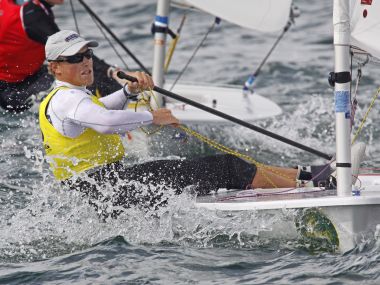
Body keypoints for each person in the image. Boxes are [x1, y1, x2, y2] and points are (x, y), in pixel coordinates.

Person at [39, 30, 366, 216]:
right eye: (75, 59)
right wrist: (153, 116)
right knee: (226, 168)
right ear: (55, 67)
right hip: (106, 190)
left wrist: (128, 90)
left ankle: (311, 176)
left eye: (87, 56)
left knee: (226, 166)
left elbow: (100, 109)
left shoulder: (71, 97)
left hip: (106, 187)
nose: (85, 63)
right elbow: (105, 122)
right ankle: (313, 183)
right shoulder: (69, 99)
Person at [0, 0, 122, 112]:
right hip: (12, 93)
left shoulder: (33, 10)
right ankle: (117, 111)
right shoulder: (33, 18)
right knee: (84, 74)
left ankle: (126, 100)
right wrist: (111, 71)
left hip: (32, 76)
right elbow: (71, 50)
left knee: (85, 72)